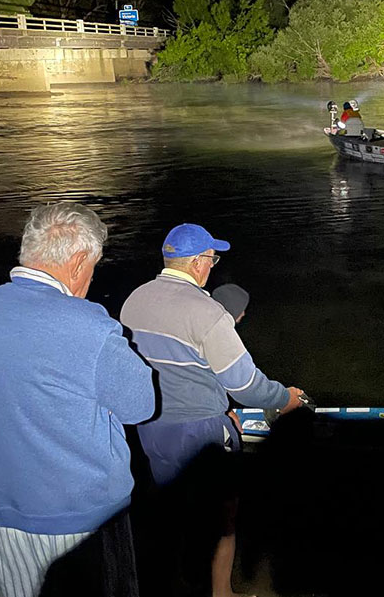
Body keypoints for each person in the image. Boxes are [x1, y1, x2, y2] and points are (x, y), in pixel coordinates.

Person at [0, 202, 155, 597]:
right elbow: (142, 405)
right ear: (80, 260)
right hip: (81, 519)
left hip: (3, 507)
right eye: (94, 267)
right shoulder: (90, 325)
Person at [120, 223, 306, 597]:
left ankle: (177, 582)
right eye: (212, 258)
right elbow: (244, 385)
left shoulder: (133, 301)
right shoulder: (208, 313)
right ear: (199, 262)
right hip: (199, 427)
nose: (213, 265)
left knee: (174, 507)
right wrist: (284, 399)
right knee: (223, 516)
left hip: (151, 426)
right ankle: (221, 592)